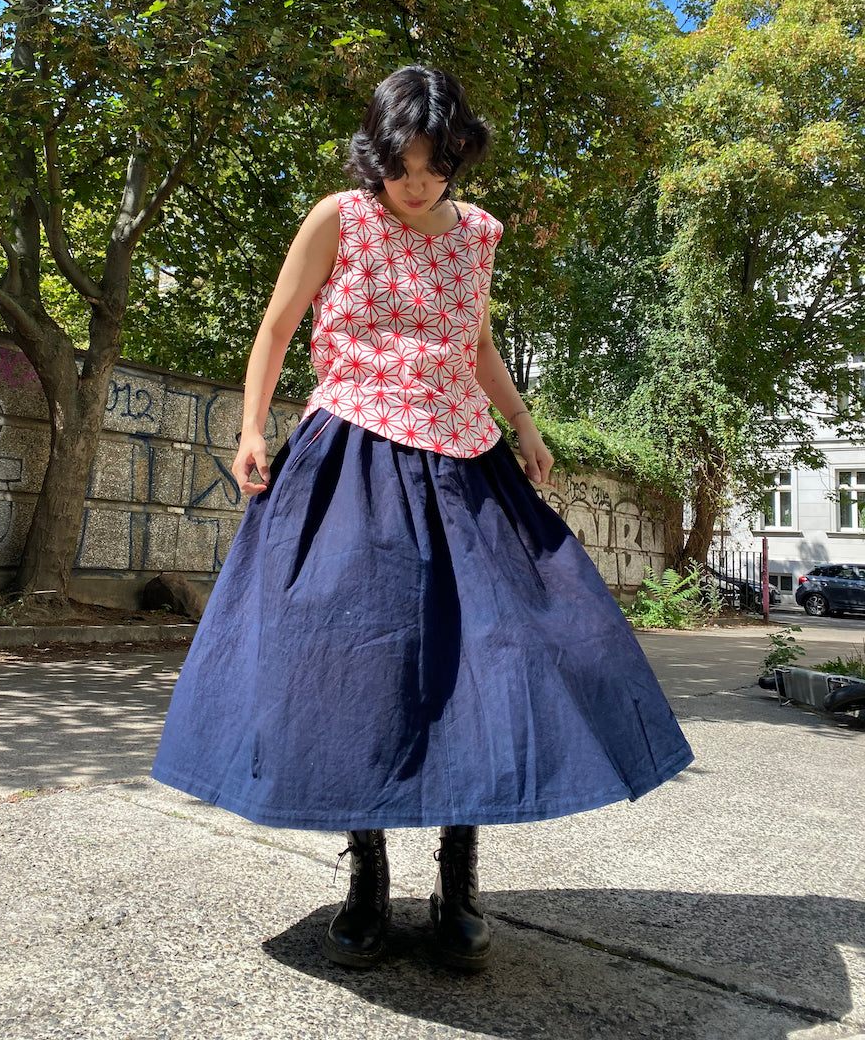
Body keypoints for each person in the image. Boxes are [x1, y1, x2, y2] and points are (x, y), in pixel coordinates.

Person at [151, 65, 694, 972]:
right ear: (379, 152)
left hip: (463, 461)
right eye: (403, 164)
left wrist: (522, 422)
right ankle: (365, 874)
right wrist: (252, 427)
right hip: (353, 452)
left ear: (456, 159)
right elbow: (279, 325)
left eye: (436, 166)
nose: (418, 182)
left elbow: (472, 340)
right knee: (345, 658)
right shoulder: (341, 216)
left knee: (492, 655)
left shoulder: (478, 233)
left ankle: (458, 876)